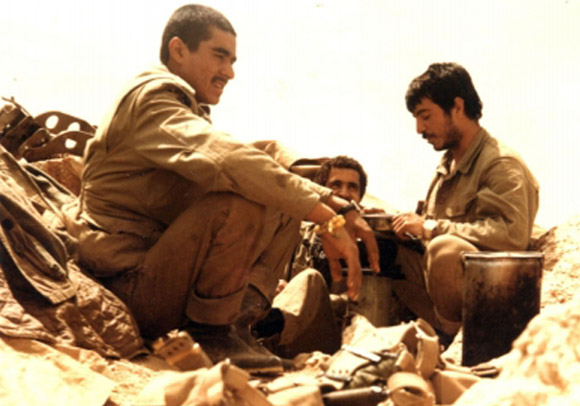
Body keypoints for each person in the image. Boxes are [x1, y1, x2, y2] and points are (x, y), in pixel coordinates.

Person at [68, 4, 379, 371]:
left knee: (279, 196)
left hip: (157, 280)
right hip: (127, 289)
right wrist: (329, 216)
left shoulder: (180, 105)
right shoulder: (152, 98)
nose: (229, 72)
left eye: (232, 60)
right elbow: (228, 159)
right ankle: (210, 332)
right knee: (243, 199)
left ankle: (235, 326)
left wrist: (329, 201)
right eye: (219, 56)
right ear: (178, 50)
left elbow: (256, 157)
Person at [390, 62, 539, 340]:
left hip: (494, 298)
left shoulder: (500, 163)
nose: (419, 129)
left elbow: (511, 236)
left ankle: (453, 344)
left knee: (445, 249)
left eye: (425, 116)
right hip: (449, 291)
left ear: (457, 107)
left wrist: (431, 228)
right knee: (385, 249)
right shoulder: (447, 166)